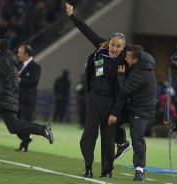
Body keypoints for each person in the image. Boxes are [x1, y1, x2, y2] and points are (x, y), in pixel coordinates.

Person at [65, 2, 128, 178]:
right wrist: (72, 16)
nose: (114, 48)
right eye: (113, 44)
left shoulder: (124, 61)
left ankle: (107, 172)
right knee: (88, 137)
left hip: (111, 103)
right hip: (94, 100)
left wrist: (116, 112)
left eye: (118, 46)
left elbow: (122, 92)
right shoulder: (101, 48)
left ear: (124, 47)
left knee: (108, 140)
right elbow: (87, 31)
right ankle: (88, 168)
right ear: (109, 42)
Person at [117, 45, 157, 181]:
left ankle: (139, 170)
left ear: (135, 60)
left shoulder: (139, 74)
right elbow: (130, 47)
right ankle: (122, 144)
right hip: (133, 105)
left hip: (142, 108)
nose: (125, 59)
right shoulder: (141, 59)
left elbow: (124, 90)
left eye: (128, 58)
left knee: (137, 136)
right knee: (110, 120)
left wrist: (121, 75)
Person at [16, 44, 41, 152]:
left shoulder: (35, 66)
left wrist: (21, 80)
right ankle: (26, 138)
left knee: (25, 122)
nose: (18, 54)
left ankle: (24, 146)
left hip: (28, 99)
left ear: (26, 54)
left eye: (20, 52)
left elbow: (35, 82)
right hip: (17, 98)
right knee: (15, 122)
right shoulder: (19, 65)